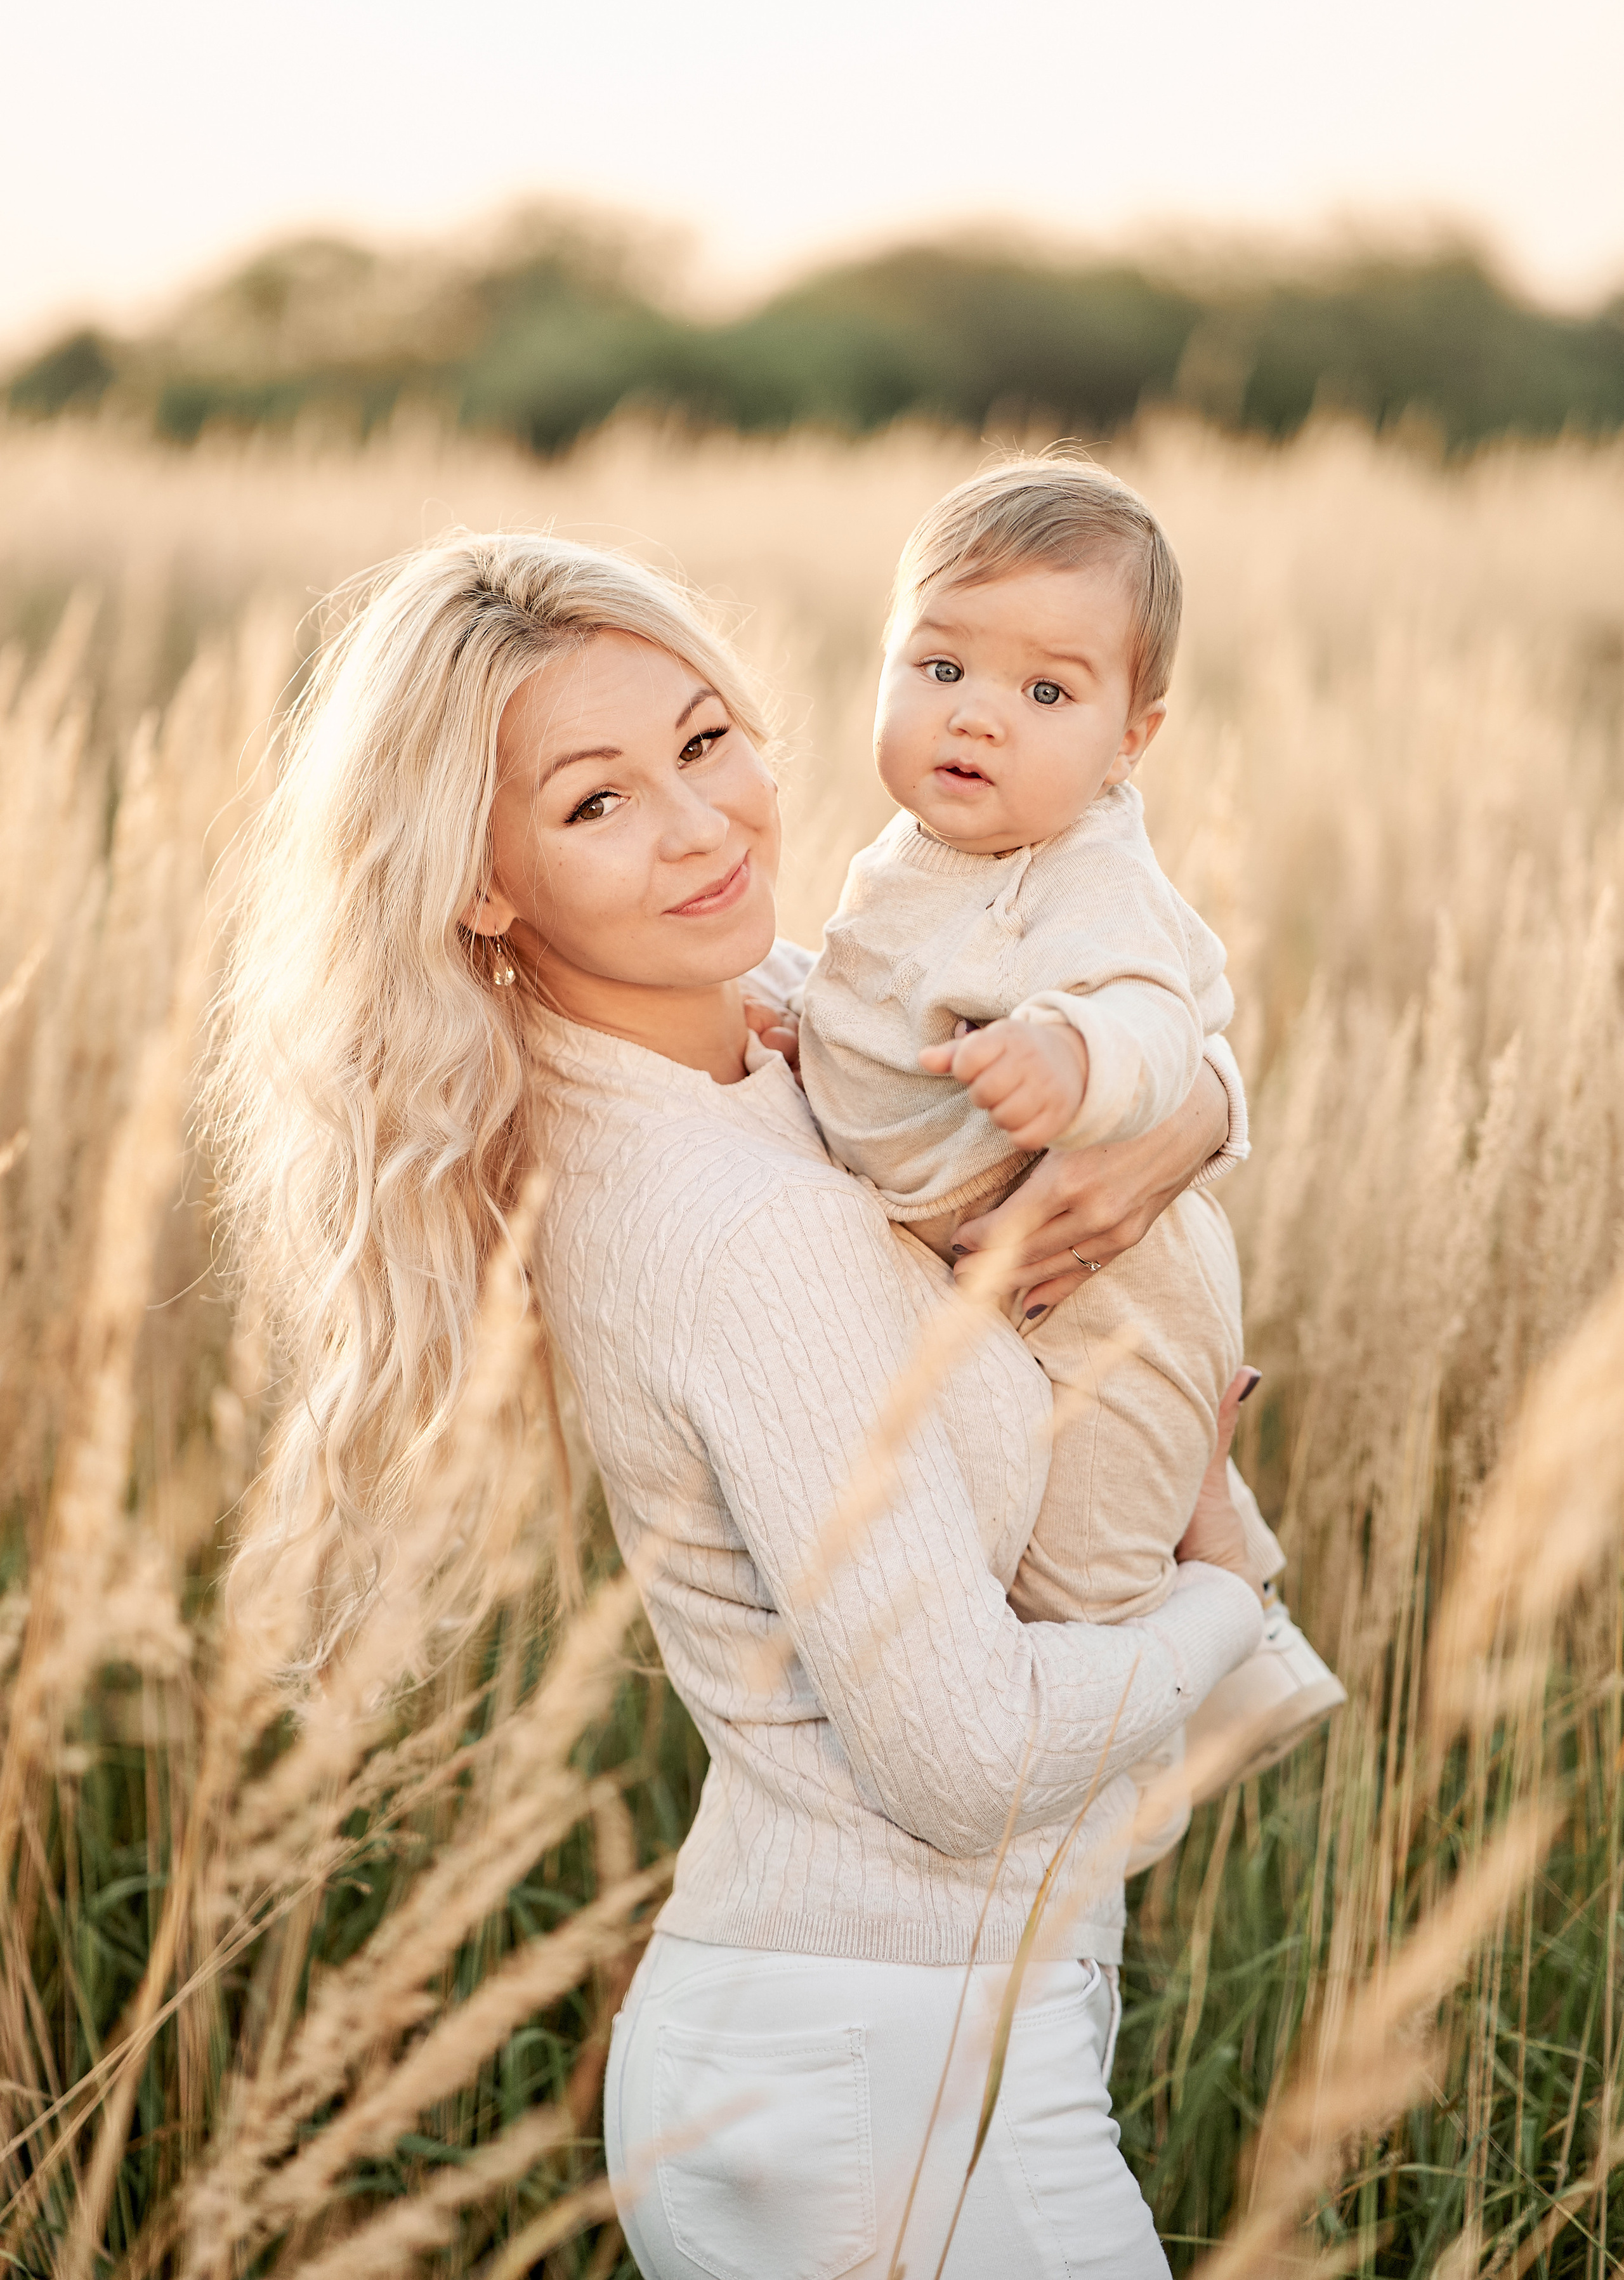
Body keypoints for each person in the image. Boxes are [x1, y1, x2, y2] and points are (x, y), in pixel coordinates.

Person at [209, 532, 1272, 2277]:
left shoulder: (750, 1029)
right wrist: (1221, 1599)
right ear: (481, 884)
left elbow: (1136, 1006)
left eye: (706, 742)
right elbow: (970, 1761)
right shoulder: (739, 1220)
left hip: (876, 2047)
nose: (703, 826)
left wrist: (1196, 1104)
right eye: (596, 801)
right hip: (889, 2076)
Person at [796, 457, 1344, 1845]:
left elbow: (1156, 1011)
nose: (977, 713)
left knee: (1082, 1571)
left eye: (1047, 692)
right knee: (1085, 1522)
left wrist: (1072, 1053)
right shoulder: (917, 849)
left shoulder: (1087, 870)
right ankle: (1237, 1608)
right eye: (939, 666)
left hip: (1117, 1301)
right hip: (1010, 1271)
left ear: (1127, 742)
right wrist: (798, 1023)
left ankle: (1141, 1782)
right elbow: (883, 1007)